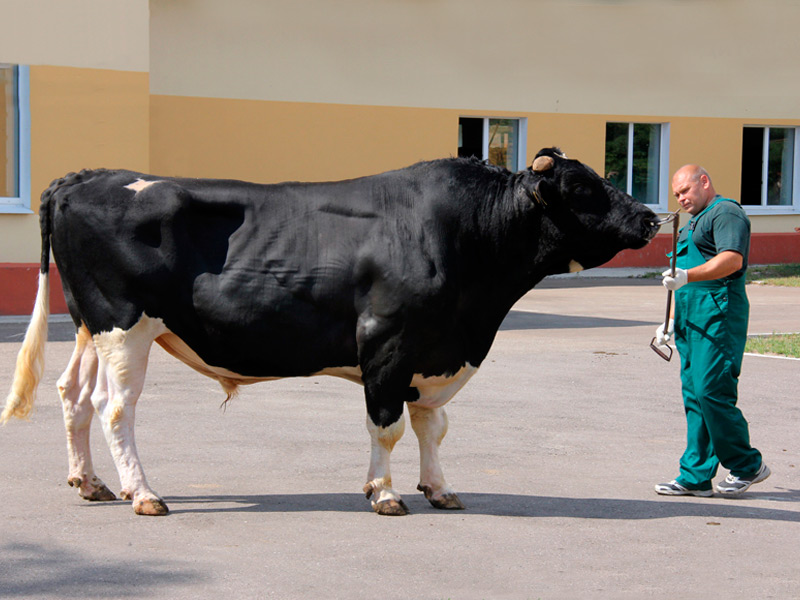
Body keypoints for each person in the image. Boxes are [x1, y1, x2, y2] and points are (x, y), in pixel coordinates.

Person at [654, 164, 769, 497]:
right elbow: (681, 277)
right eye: (676, 195)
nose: (681, 199)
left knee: (711, 391)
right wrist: (669, 320)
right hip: (690, 318)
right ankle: (696, 476)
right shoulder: (691, 224)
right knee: (694, 396)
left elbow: (732, 259)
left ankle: (748, 464)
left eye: (685, 191)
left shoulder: (725, 213)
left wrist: (687, 277)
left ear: (704, 182)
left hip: (718, 315)